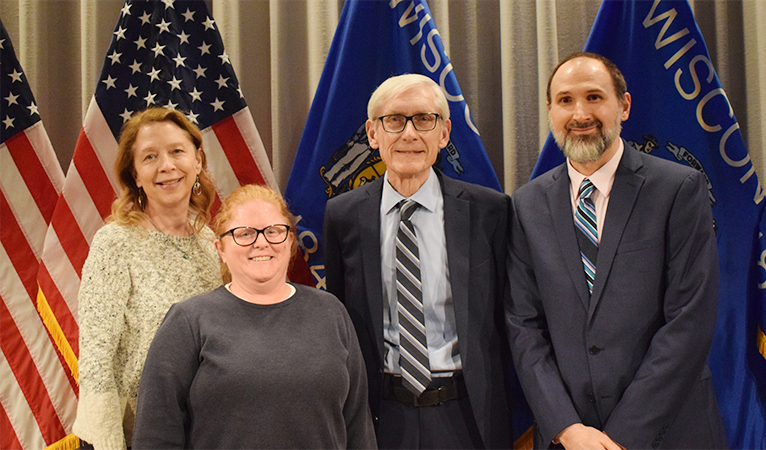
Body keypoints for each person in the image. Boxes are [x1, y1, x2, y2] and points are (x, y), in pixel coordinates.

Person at [505, 52, 727, 449]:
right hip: (568, 439)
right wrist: (568, 429)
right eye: (566, 100)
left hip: (666, 433)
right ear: (550, 110)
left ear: (623, 106)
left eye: (594, 97)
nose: (580, 114)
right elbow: (524, 327)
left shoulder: (678, 189)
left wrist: (620, 437)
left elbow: (689, 322)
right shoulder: (527, 204)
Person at [323, 73, 512, 449]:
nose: (409, 134)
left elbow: (509, 318)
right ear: (373, 134)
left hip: (468, 413)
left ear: (443, 133)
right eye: (394, 120)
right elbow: (340, 317)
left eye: (424, 119)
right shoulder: (342, 215)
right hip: (380, 415)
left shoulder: (489, 210)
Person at [132, 184, 376, 449]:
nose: (262, 242)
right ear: (221, 249)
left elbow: (358, 428)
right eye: (245, 233)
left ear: (290, 241)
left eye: (273, 231)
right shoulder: (188, 322)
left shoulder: (331, 313)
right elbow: (155, 437)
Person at [72, 107, 221, 450]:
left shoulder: (211, 246)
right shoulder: (115, 243)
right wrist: (107, 441)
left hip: (203, 432)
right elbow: (96, 358)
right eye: (150, 157)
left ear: (197, 161)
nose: (166, 165)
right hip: (132, 435)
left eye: (177, 152)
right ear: (135, 175)